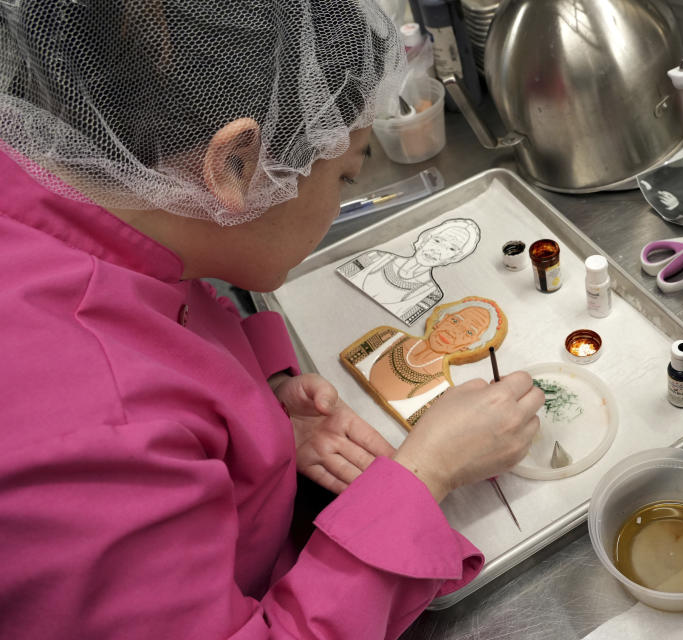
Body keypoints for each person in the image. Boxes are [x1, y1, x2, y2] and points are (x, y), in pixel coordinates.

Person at [0, 2, 543, 640]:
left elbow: (162, 312)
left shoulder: (66, 176)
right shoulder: (99, 444)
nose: (342, 195)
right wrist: (428, 473)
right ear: (233, 166)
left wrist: (259, 402)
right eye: (345, 175)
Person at [341, 297, 506, 428]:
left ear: (470, 345)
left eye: (468, 332)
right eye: (455, 321)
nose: (453, 331)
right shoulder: (383, 338)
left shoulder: (441, 396)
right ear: (442, 319)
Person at [337, 218, 482, 325]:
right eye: (437, 241)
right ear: (425, 239)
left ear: (454, 258)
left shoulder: (431, 295)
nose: (437, 250)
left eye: (451, 249)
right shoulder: (374, 257)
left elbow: (391, 325)